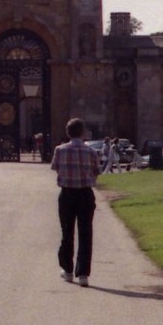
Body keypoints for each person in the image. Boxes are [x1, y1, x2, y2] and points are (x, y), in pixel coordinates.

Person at [50, 117, 101, 288]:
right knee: (86, 233)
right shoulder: (91, 152)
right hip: (85, 194)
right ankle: (84, 274)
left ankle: (68, 270)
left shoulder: (60, 150)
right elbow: (97, 171)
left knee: (67, 231)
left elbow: (56, 167)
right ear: (83, 132)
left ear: (67, 132)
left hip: (67, 194)